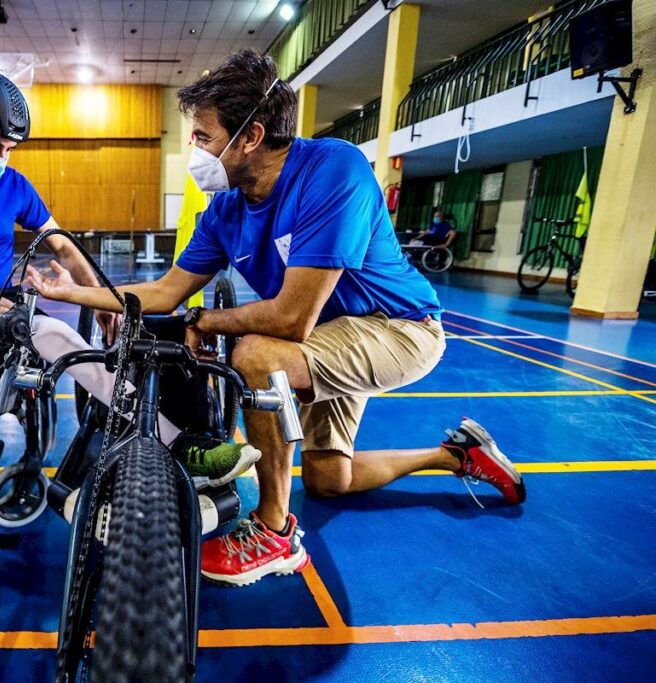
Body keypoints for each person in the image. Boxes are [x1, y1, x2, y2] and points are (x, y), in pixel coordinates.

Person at [30, 50, 525, 588]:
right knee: (329, 479)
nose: (195, 149)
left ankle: (274, 532)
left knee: (259, 355)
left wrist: (206, 322)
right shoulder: (225, 209)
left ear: (250, 136)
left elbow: (290, 319)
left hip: (398, 328)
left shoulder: (334, 171)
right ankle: (456, 455)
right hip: (327, 338)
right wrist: (76, 291)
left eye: (203, 136)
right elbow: (166, 290)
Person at [0, 68, 252, 586]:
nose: (0, 157)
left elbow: (62, 243)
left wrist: (106, 301)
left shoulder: (14, 185)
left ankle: (180, 444)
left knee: (68, 341)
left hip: (1, 312)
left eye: (9, 147)